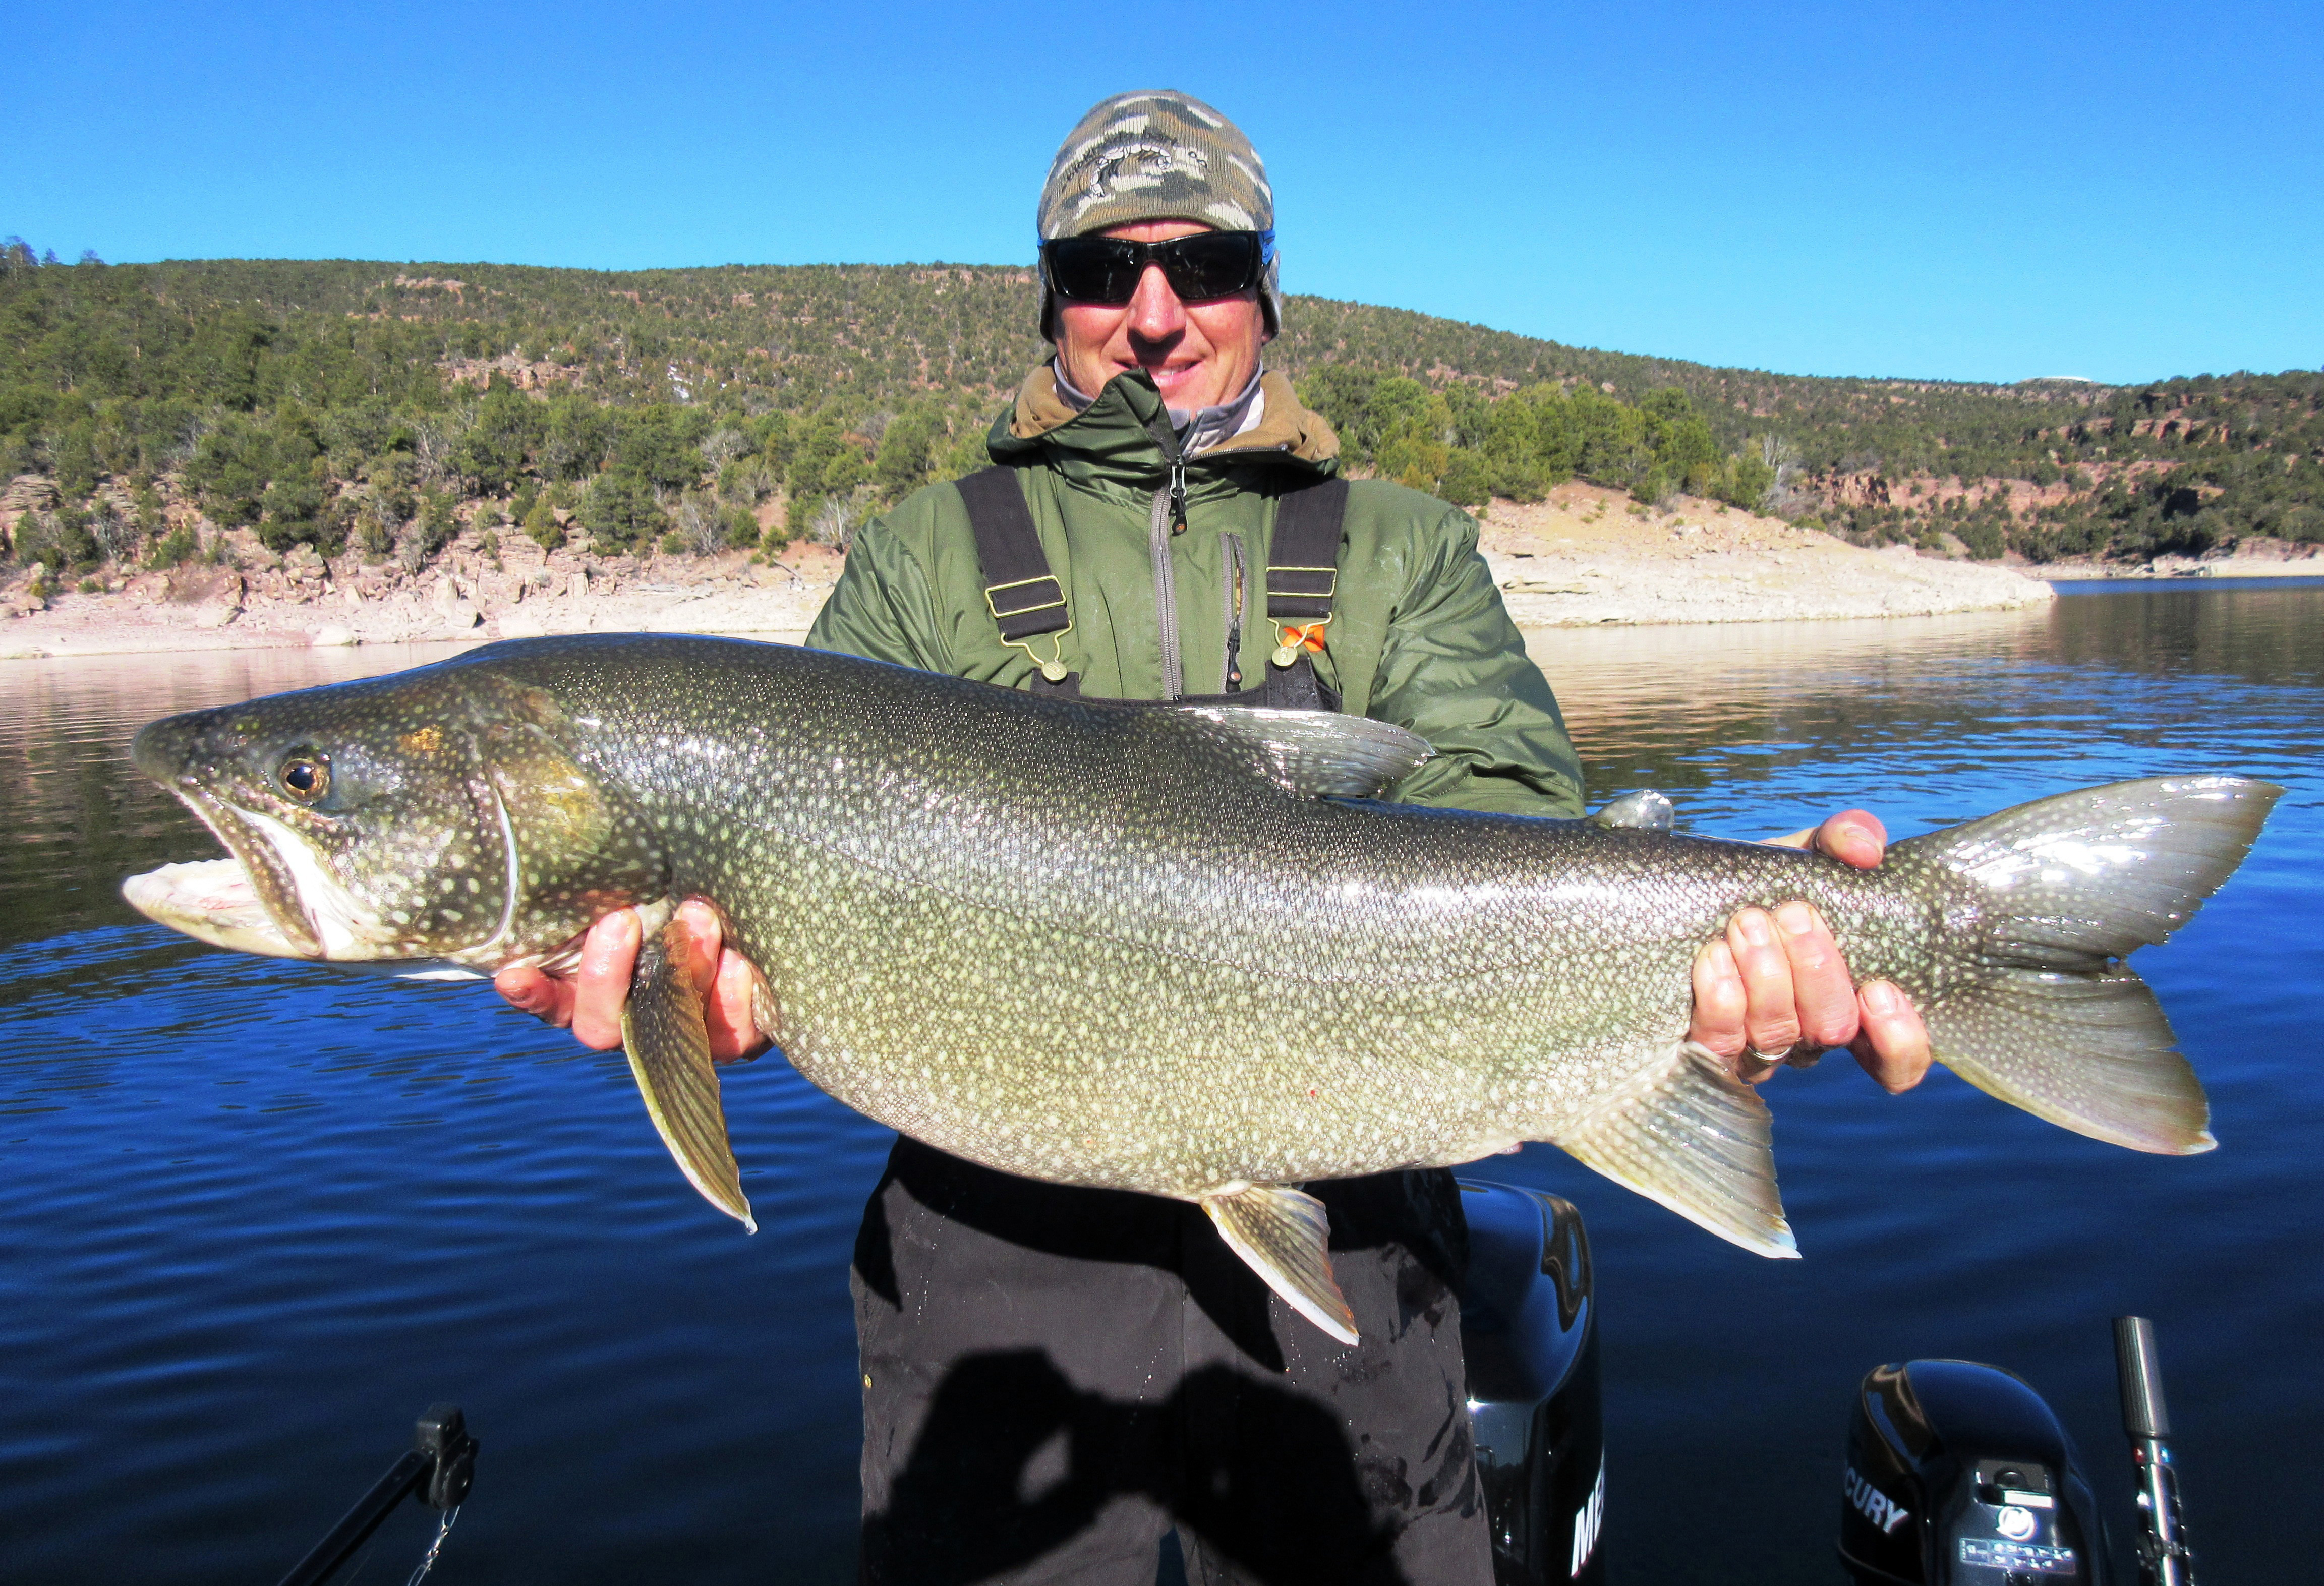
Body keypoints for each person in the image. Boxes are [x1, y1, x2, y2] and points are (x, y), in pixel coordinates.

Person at [495, 90, 1931, 1584]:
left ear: (1268, 284)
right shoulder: (928, 555)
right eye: (1106, 274)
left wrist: (1686, 984)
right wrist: (701, 997)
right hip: (994, 1277)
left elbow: (1518, 826)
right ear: (1055, 297)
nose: (1157, 315)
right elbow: (769, 895)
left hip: (1362, 1244)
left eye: (1209, 264)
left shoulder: (1396, 545)